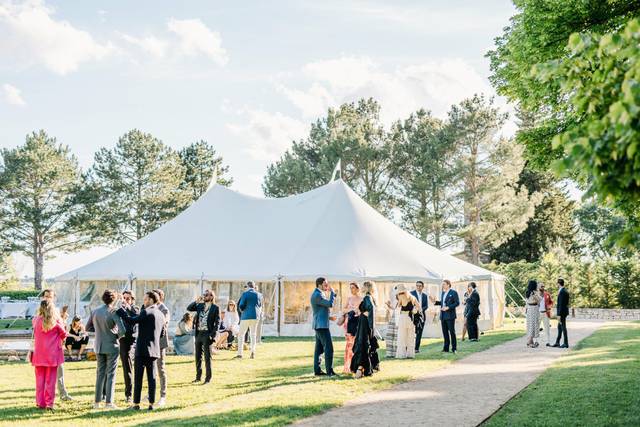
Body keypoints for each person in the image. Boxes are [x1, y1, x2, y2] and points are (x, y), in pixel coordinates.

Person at [117, 291, 165, 411]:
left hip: (142, 349)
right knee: (152, 378)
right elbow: (162, 333)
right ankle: (151, 404)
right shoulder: (160, 314)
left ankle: (136, 404)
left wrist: (120, 311)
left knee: (138, 377)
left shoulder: (146, 311)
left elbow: (131, 320)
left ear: (150, 300)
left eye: (145, 299)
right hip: (154, 350)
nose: (144, 301)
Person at [86, 289, 125, 409]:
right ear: (113, 299)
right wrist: (115, 335)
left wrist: (99, 331)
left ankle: (97, 402)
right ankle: (109, 402)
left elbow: (88, 327)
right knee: (111, 375)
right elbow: (122, 330)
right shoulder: (113, 312)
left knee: (100, 374)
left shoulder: (95, 311)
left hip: (98, 345)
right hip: (112, 345)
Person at [31, 299, 67, 411]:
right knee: (50, 381)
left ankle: (40, 402)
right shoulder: (55, 322)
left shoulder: (35, 320)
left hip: (39, 354)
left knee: (39, 380)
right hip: (52, 355)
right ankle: (49, 403)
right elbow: (64, 334)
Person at [40, 289, 72, 401]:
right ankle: (45, 397)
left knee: (60, 371)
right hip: (44, 347)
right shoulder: (39, 311)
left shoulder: (57, 311)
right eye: (46, 296)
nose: (48, 298)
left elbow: (61, 328)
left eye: (50, 296)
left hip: (56, 346)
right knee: (44, 375)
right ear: (43, 297)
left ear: (54, 298)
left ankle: (63, 394)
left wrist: (63, 320)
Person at [187, 289, 220, 384]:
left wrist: (212, 335)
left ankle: (208, 379)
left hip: (207, 334)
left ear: (211, 297)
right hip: (199, 334)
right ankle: (198, 377)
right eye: (204, 295)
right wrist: (197, 301)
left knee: (207, 357)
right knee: (197, 357)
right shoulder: (200, 306)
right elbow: (189, 308)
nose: (204, 296)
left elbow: (217, 323)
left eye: (206, 295)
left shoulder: (215, 308)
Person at [350, 281, 379, 378]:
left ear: (367, 287)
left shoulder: (367, 297)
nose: (361, 287)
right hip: (365, 324)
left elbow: (370, 310)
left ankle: (359, 370)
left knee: (362, 345)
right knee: (364, 345)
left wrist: (364, 314)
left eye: (363, 286)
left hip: (364, 325)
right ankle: (367, 368)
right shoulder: (370, 297)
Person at [311, 277, 337, 376]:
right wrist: (333, 293)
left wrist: (329, 318)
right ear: (320, 284)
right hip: (321, 326)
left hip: (320, 324)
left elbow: (319, 311)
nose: (327, 286)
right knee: (329, 348)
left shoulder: (318, 294)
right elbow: (330, 304)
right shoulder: (317, 294)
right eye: (325, 284)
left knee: (319, 350)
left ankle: (317, 371)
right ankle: (330, 371)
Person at [118, 290, 140, 403]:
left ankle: (129, 394)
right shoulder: (119, 309)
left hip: (131, 340)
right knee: (125, 366)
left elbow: (135, 316)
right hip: (121, 340)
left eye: (128, 298)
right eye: (124, 298)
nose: (125, 300)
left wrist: (126, 306)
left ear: (132, 299)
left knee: (128, 366)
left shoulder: (135, 308)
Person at [429, 280, 460, 353]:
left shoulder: (453, 292)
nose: (442, 286)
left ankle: (454, 348)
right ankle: (446, 348)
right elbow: (442, 303)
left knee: (452, 332)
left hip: (450, 315)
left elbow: (457, 303)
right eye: (442, 284)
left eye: (444, 284)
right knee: (445, 332)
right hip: (443, 316)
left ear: (448, 285)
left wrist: (448, 307)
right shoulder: (443, 293)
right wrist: (435, 302)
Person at [152, 289, 170, 406]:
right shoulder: (149, 307)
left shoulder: (164, 309)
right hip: (151, 342)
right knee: (151, 369)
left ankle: (163, 395)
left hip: (160, 342)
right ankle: (150, 394)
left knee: (160, 368)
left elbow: (164, 323)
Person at [236, 281, 263, 359]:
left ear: (248, 286)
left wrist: (242, 311)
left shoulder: (245, 294)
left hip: (246, 316)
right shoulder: (260, 295)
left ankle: (240, 354)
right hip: (256, 316)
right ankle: (253, 352)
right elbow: (260, 306)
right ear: (254, 286)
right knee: (253, 334)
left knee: (241, 335)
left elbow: (241, 305)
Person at [342, 282, 362, 373]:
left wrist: (357, 311)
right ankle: (347, 366)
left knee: (357, 344)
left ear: (358, 289)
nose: (351, 290)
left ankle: (356, 365)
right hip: (349, 323)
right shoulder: (349, 298)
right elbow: (343, 309)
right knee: (349, 344)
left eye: (353, 288)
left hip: (358, 323)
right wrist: (351, 309)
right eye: (350, 288)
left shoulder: (362, 299)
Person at [396, 284, 419, 359]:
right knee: (411, 336)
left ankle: (402, 354)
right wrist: (413, 311)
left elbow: (398, 306)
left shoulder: (401, 296)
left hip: (403, 317)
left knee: (402, 336)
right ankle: (410, 354)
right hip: (411, 318)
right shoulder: (413, 297)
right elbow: (419, 307)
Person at [410, 281, 428, 353]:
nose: (418, 287)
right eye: (417, 286)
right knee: (411, 332)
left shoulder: (425, 296)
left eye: (420, 286)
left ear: (423, 287)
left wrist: (420, 309)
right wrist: (414, 309)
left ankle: (416, 348)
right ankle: (410, 347)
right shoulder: (411, 294)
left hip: (421, 316)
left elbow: (426, 306)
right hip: (412, 316)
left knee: (419, 333)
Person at [552, 278, 570, 348]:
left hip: (562, 313)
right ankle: (557, 342)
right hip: (563, 312)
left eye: (557, 283)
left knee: (563, 327)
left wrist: (559, 314)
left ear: (558, 284)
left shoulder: (562, 292)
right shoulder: (564, 290)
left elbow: (561, 304)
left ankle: (566, 343)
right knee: (559, 327)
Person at [525, 280, 541, 348]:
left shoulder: (527, 292)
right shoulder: (534, 293)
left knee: (530, 324)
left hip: (529, 308)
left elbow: (526, 302)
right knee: (534, 324)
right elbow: (539, 300)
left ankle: (531, 341)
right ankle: (529, 341)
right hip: (534, 308)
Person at [384, 285, 399, 359]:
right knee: (389, 335)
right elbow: (395, 309)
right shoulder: (395, 299)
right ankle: (389, 353)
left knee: (396, 336)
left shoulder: (402, 298)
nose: (395, 292)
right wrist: (389, 306)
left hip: (399, 318)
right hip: (394, 317)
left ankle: (396, 353)